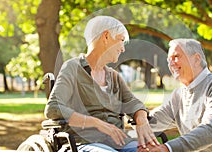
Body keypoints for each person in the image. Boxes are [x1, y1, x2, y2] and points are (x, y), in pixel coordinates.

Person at [44, 16, 158, 152]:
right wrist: (97, 123)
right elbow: (54, 108)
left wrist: (141, 119)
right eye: (121, 40)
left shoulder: (114, 76)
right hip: (86, 142)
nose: (123, 49)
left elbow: (133, 103)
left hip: (119, 142)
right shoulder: (73, 68)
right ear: (106, 37)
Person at [138, 39, 212, 152]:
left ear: (196, 59)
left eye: (176, 57)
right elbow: (152, 122)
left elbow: (211, 130)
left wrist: (167, 148)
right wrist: (135, 116)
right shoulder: (178, 95)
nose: (171, 63)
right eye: (169, 59)